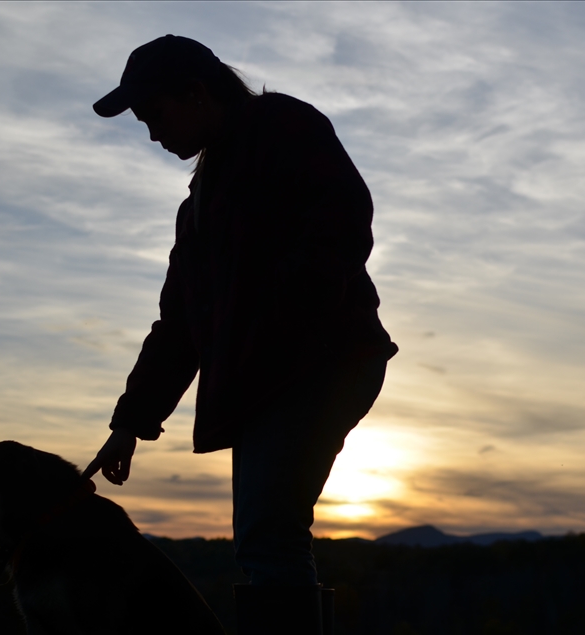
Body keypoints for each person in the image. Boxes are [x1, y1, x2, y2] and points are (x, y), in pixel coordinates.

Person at [82, 35, 397, 633]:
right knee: (264, 537)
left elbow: (342, 229)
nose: (152, 134)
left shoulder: (285, 126)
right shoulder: (197, 205)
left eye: (155, 115)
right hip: (265, 384)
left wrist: (273, 330)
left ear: (196, 93)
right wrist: (130, 423)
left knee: (268, 535)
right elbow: (179, 326)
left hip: (321, 365)